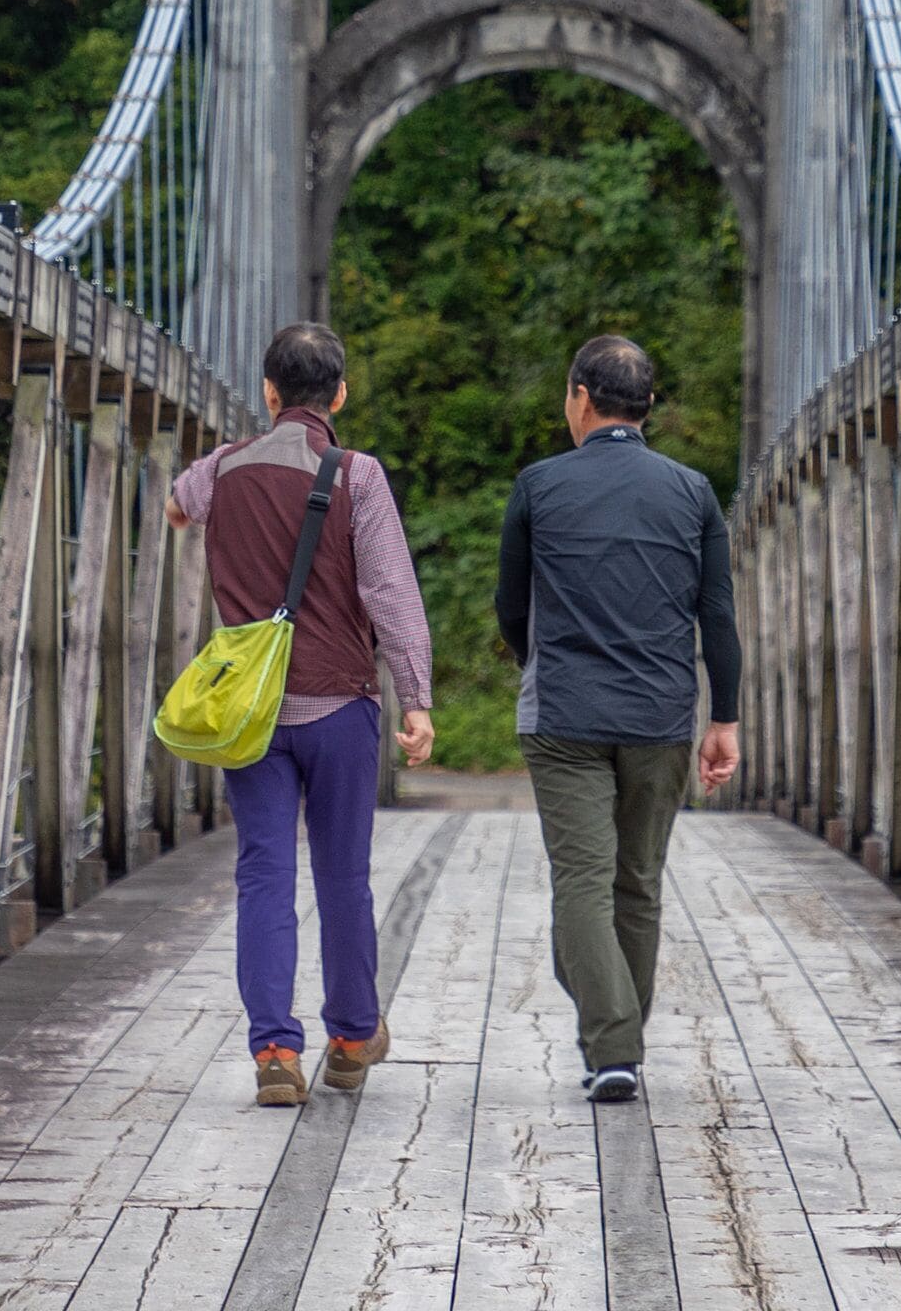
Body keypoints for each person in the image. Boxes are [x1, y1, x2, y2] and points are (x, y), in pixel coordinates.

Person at [167, 321, 437, 1106]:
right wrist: (415, 700)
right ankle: (351, 1037)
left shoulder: (222, 470)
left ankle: (276, 1055)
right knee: (343, 875)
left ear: (269, 392)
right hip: (340, 709)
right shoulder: (357, 476)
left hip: (250, 716)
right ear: (341, 395)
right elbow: (390, 591)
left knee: (263, 874)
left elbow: (179, 508)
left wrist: (200, 516)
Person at [495, 333, 739, 1106]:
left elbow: (511, 605)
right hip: (663, 716)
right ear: (650, 405)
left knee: (582, 882)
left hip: (563, 713)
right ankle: (618, 1042)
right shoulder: (693, 491)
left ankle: (612, 1043)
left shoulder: (538, 485)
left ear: (577, 397)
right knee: (637, 883)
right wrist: (724, 718)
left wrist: (540, 658)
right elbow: (719, 618)